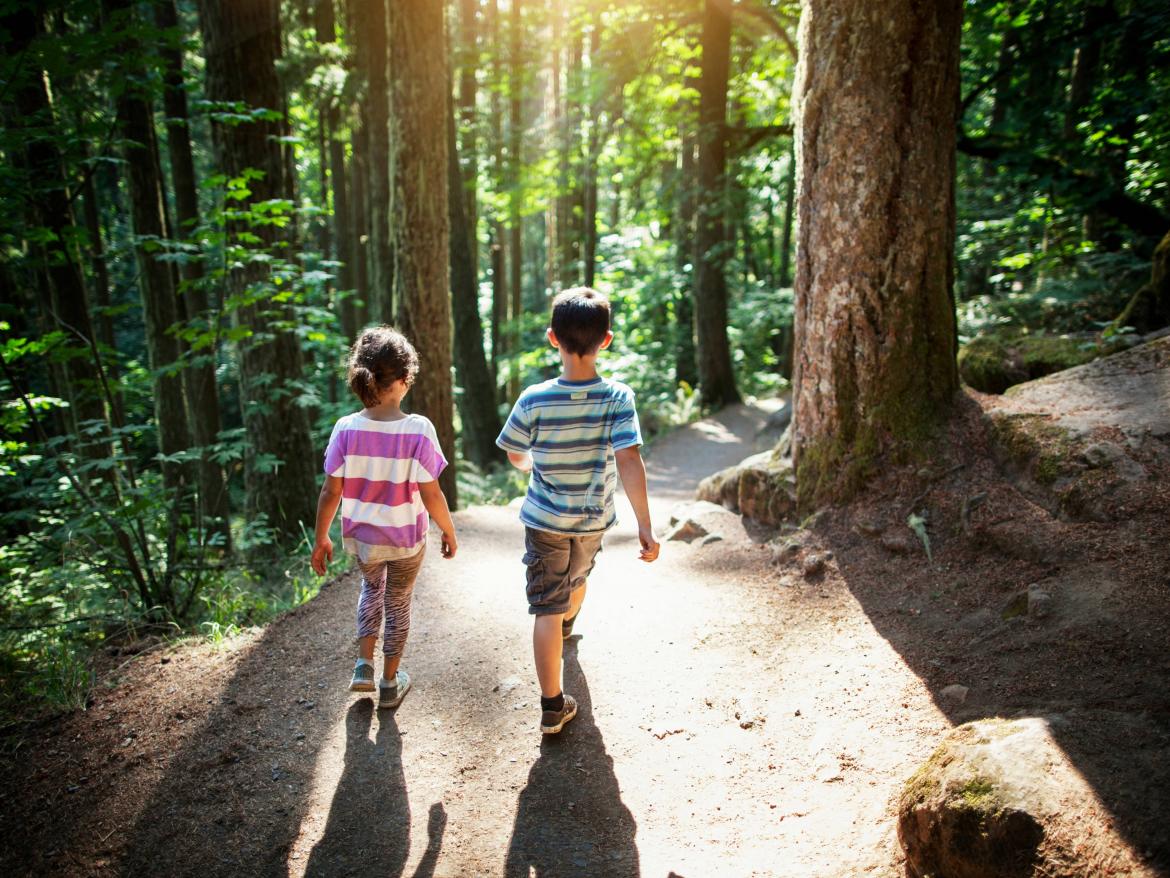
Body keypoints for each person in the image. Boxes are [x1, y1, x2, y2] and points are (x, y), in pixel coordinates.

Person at [497, 287, 660, 735]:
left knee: (544, 607)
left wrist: (530, 462)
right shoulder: (618, 398)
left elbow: (513, 451)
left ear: (553, 338)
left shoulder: (533, 398)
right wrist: (645, 523)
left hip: (544, 521)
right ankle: (569, 621)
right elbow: (629, 458)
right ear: (605, 340)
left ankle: (552, 704)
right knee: (579, 579)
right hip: (590, 520)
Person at [311, 326, 457, 710]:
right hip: (406, 539)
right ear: (405, 380)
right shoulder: (419, 429)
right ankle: (390, 682)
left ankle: (363, 666)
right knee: (398, 600)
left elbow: (331, 491)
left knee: (371, 590)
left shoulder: (346, 428)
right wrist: (447, 528)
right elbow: (431, 492)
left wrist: (321, 536)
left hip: (363, 538)